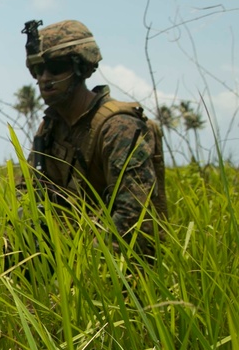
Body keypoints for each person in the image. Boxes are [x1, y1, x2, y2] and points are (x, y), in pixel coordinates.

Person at [15, 19, 167, 258]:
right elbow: (26, 190)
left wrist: (77, 272)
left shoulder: (118, 127)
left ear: (80, 67)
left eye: (56, 67)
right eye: (37, 69)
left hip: (114, 253)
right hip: (65, 240)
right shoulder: (51, 127)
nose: (44, 77)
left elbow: (135, 218)